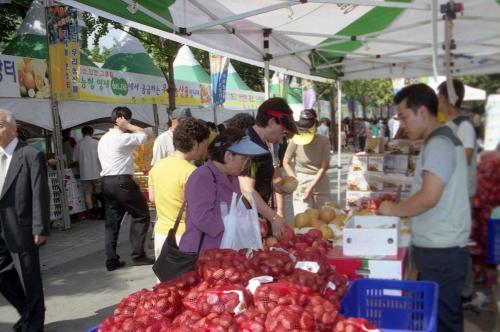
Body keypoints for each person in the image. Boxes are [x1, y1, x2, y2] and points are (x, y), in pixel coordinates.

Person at [378, 83, 470, 332]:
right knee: (441, 314)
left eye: (404, 117)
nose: (402, 125)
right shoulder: (441, 139)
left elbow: (429, 196)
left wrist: (392, 210)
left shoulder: (440, 143)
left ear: (422, 112)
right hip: (442, 247)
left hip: (442, 251)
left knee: (443, 319)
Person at [179, 128, 268, 254]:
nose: (245, 165)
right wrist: (237, 223)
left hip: (225, 251)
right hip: (203, 254)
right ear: (228, 156)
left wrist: (249, 222)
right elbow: (203, 219)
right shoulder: (202, 176)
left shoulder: (232, 178)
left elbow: (235, 210)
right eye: (243, 159)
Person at [0, 109, 50, 332]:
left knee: (30, 276)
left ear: (13, 127)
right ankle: (26, 311)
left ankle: (35, 323)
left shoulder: (30, 154)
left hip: (23, 225)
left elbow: (39, 193)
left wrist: (40, 227)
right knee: (2, 273)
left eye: (0, 125)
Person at [98, 106, 154, 271]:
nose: (130, 123)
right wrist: (128, 126)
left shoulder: (103, 139)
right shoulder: (122, 138)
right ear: (122, 119)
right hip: (122, 181)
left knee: (112, 223)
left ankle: (111, 260)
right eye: (128, 120)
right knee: (141, 214)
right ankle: (138, 255)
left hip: (107, 182)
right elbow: (147, 135)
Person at [437, 79, 478, 303]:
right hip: (449, 193)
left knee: (460, 238)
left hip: (461, 193)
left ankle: (466, 289)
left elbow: (466, 158)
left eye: (438, 96)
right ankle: (454, 283)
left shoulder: (465, 126)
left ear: (445, 98)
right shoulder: (448, 124)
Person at [148, 118, 210, 260]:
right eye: (205, 144)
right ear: (195, 144)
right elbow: (200, 212)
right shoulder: (194, 173)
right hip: (185, 237)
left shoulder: (157, 167)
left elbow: (152, 198)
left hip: (162, 234)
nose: (205, 149)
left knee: (165, 281)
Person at [239, 97, 298, 238]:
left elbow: (256, 179)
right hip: (247, 219)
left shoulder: (261, 142)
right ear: (271, 122)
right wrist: (274, 217)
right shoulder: (250, 145)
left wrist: (275, 186)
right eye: (283, 129)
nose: (283, 134)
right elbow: (247, 189)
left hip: (258, 216)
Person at [283, 109, 331, 214]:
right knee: (303, 217)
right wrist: (294, 178)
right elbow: (285, 162)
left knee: (324, 217)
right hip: (301, 180)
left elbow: (324, 166)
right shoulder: (295, 140)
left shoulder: (324, 141)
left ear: (315, 126)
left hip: (320, 180)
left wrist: (311, 186)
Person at [73, 126, 102, 219]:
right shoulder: (97, 143)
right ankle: (101, 211)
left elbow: (74, 159)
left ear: (82, 133)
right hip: (97, 172)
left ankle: (92, 213)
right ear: (92, 132)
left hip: (85, 173)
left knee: (87, 193)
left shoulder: (78, 145)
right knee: (99, 192)